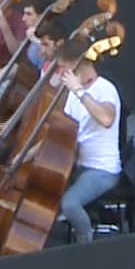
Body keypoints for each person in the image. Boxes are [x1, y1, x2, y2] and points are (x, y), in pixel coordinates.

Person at [52, 37, 122, 243]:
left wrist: (79, 91)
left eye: (63, 67)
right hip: (78, 164)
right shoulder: (73, 94)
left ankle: (86, 242)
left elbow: (107, 119)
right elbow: (62, 135)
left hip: (102, 170)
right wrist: (27, 154)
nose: (59, 72)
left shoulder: (105, 89)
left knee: (70, 204)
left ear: (76, 64)